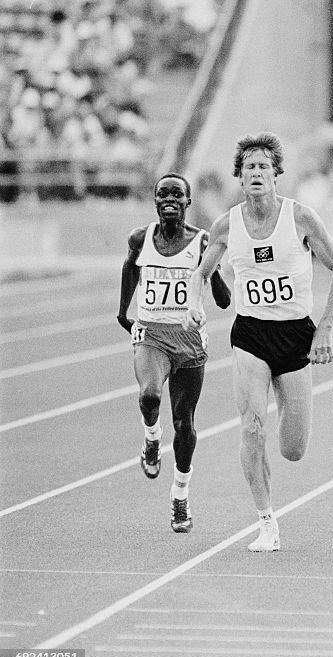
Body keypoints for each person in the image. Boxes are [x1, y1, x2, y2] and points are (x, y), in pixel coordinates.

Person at [184, 132, 333, 552]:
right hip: (251, 334)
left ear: (276, 174)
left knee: (293, 449)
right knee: (251, 428)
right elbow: (201, 272)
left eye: (263, 167)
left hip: (295, 334)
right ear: (239, 177)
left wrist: (325, 327)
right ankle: (265, 522)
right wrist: (193, 303)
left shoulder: (301, 218)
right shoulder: (227, 223)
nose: (256, 173)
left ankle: (285, 417)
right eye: (248, 168)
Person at [116, 173, 231, 533]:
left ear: (187, 201)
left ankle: (180, 494)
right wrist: (123, 311)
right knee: (149, 395)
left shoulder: (201, 242)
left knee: (185, 423)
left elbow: (224, 300)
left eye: (176, 194)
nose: (169, 198)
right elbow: (129, 266)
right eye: (162, 193)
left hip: (189, 339)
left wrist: (209, 271)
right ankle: (152, 438)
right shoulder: (141, 238)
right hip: (151, 333)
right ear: (155, 201)